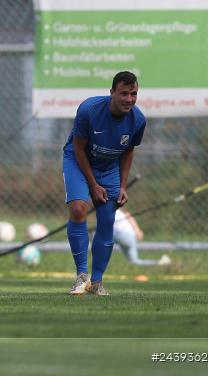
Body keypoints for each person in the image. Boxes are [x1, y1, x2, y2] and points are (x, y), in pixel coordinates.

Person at [63, 71, 145, 296]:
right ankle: (81, 276)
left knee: (107, 219)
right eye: (124, 93)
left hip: (109, 168)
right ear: (112, 93)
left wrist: (123, 186)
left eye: (133, 94)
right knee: (78, 209)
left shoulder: (138, 120)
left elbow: (128, 151)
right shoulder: (89, 110)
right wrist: (92, 185)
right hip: (79, 161)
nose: (129, 99)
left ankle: (97, 282)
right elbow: (78, 148)